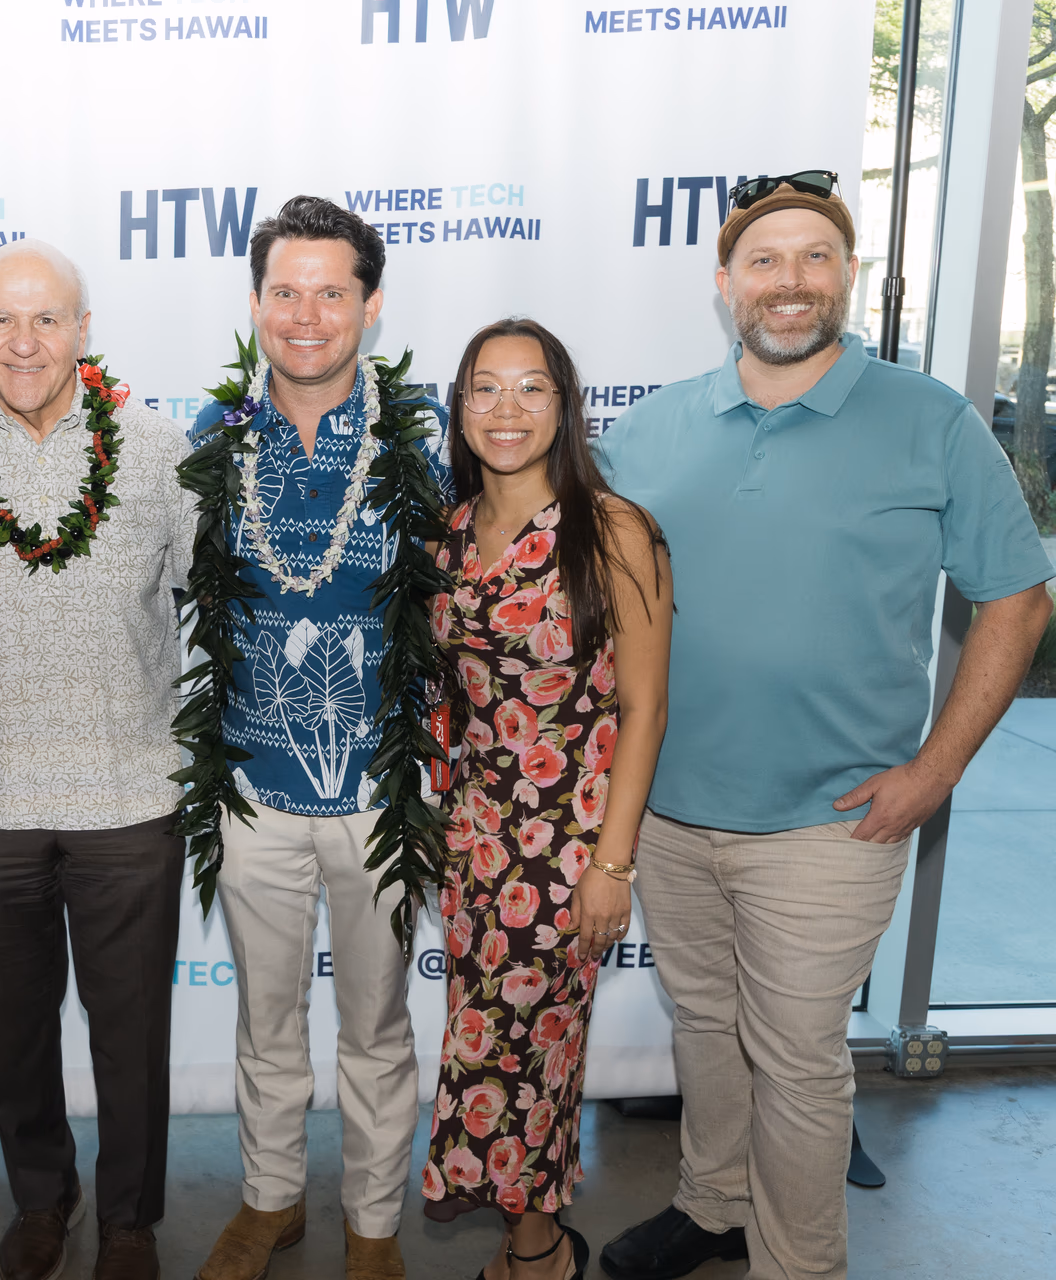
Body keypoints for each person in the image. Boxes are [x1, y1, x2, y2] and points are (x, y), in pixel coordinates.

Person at [595, 174, 1054, 1280]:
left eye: (814, 257)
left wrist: (935, 770)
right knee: (706, 1025)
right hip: (667, 813)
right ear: (725, 283)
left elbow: (1018, 597)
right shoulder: (646, 431)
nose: (789, 281)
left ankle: (800, 1264)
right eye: (764, 260)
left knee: (797, 1060)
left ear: (849, 274)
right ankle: (713, 1205)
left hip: (833, 821)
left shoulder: (932, 420)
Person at [183, 195, 453, 1280]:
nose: (306, 315)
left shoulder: (424, 440)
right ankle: (271, 1200)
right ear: (256, 303)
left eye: (330, 292)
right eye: (285, 292)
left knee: (378, 1023)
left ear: (370, 305)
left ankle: (374, 1220)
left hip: (382, 793)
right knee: (265, 1017)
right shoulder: (216, 441)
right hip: (252, 785)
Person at [0, 240, 193, 1280]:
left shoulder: (159, 448)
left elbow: (219, 596)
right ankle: (42, 1197)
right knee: (15, 1029)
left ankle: (130, 1218)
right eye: (1, 319)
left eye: (47, 319)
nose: (24, 342)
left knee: (132, 1032)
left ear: (85, 329)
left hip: (130, 791)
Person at [421, 319, 671, 1280]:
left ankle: (536, 1254)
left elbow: (645, 709)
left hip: (567, 847)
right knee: (496, 1044)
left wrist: (612, 864)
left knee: (525, 1051)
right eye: (485, 388)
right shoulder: (449, 533)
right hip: (475, 837)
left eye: (532, 388)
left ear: (566, 408)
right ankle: (536, 1245)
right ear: (459, 408)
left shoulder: (612, 529)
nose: (507, 409)